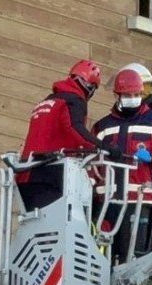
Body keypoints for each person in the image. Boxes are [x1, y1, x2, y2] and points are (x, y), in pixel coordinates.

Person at [93, 68, 152, 261]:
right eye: (128, 95)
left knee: (133, 257)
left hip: (142, 200)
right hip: (107, 201)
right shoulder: (102, 126)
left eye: (137, 94)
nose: (133, 98)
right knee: (105, 257)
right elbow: (92, 162)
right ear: (117, 95)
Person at [16, 59, 111, 211]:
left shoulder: (47, 101)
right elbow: (75, 129)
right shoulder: (74, 100)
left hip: (25, 175)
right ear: (89, 86)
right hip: (50, 175)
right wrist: (103, 148)